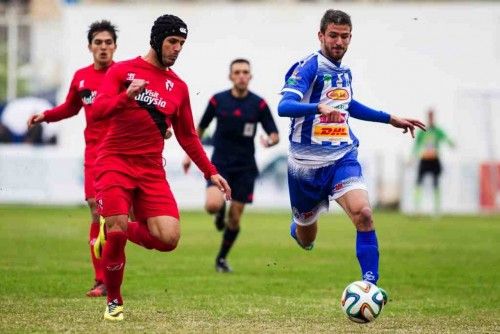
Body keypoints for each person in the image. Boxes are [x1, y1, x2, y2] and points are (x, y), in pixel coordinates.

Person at [277, 9, 426, 299]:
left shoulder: (344, 72)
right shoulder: (307, 67)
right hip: (305, 167)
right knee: (307, 239)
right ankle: (300, 226)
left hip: (342, 156)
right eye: (333, 35)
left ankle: (370, 285)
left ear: (350, 38)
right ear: (321, 35)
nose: (338, 42)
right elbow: (285, 107)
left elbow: (348, 105)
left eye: (344, 37)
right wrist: (317, 108)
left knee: (365, 214)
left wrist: (389, 118)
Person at [91, 14, 231, 321]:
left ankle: (116, 228)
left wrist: (211, 172)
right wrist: (125, 96)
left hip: (151, 169)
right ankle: (114, 301)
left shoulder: (178, 87)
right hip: (114, 161)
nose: (177, 48)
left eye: (181, 43)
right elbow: (98, 111)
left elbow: (188, 136)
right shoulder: (122, 71)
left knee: (168, 239)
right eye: (172, 41)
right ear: (156, 39)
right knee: (115, 229)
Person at [27, 20, 119, 297]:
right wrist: (47, 115)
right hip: (94, 152)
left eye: (108, 42)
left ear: (115, 46)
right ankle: (101, 279)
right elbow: (70, 107)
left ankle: (114, 263)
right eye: (98, 43)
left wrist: (162, 128)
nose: (103, 47)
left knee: (118, 217)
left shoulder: (124, 74)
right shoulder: (81, 77)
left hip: (121, 151)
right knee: (95, 208)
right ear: (90, 47)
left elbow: (144, 105)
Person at [182, 59, 279, 273]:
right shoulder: (218, 101)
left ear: (250, 76)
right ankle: (219, 211)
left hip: (245, 168)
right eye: (237, 72)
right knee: (212, 206)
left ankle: (221, 259)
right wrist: (189, 155)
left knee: (234, 219)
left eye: (245, 72)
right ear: (231, 76)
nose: (242, 75)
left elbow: (275, 134)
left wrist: (270, 140)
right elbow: (199, 128)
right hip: (219, 165)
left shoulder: (259, 104)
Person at [412, 108, 454, 215]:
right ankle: (417, 208)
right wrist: (412, 157)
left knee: (436, 183)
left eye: (432, 116)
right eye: (429, 116)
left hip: (435, 160)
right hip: (425, 159)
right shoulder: (423, 131)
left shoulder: (437, 130)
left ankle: (437, 209)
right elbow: (417, 145)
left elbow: (445, 138)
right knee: (419, 182)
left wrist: (451, 143)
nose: (430, 118)